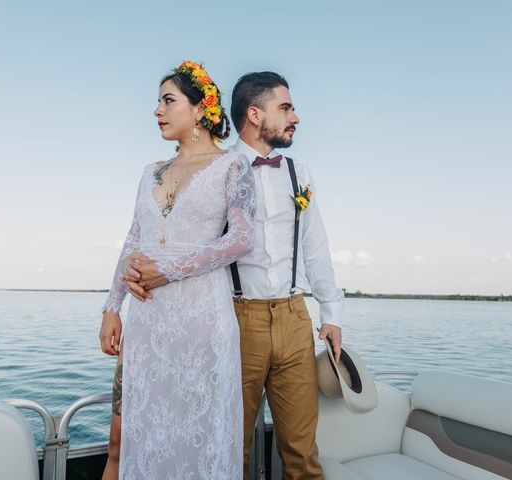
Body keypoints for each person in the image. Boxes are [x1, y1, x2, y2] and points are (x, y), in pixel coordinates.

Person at [99, 60, 255, 480]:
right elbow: (133, 239)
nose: (158, 110)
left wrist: (166, 270)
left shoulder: (233, 167)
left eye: (168, 101)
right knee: (137, 433)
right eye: (158, 102)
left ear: (201, 108)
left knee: (198, 433)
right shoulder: (149, 172)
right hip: (147, 320)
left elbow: (241, 239)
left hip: (201, 318)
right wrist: (112, 307)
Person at [228, 71, 345, 479]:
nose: (296, 117)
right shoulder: (218, 170)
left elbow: (315, 247)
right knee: (230, 449)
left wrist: (330, 313)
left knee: (301, 451)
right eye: (286, 108)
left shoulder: (300, 173)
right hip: (236, 320)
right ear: (255, 114)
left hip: (296, 320)